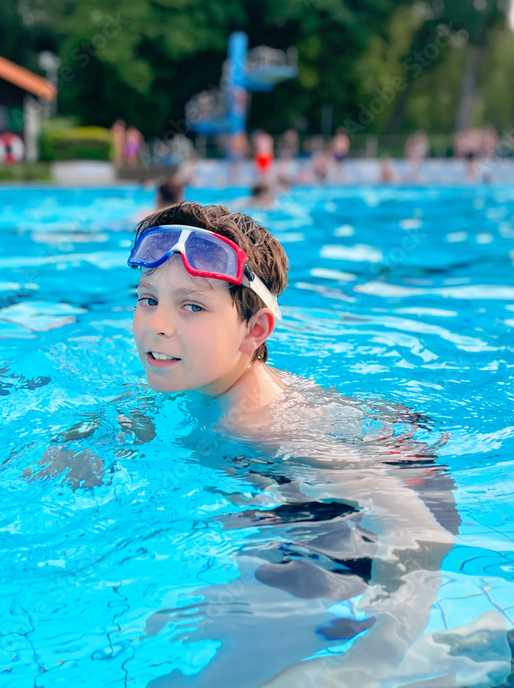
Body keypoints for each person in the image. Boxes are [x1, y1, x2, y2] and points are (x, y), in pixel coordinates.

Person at [128, 202, 455, 686]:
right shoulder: (198, 380)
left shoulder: (265, 428)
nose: (158, 323)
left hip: (343, 518)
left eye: (192, 306)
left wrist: (379, 654)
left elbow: (417, 530)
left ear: (254, 330)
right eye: (148, 298)